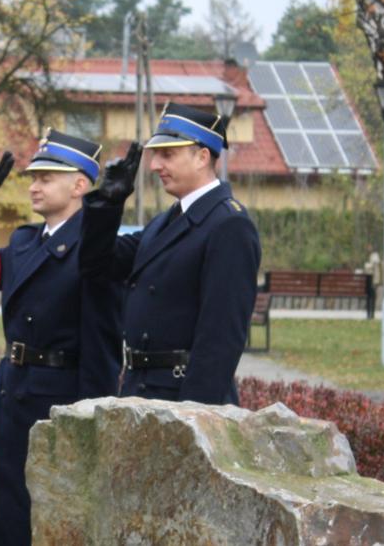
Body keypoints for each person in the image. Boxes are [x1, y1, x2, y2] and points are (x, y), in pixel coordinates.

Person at [0, 130, 122, 546]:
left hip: (58, 400)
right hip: (13, 390)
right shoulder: (25, 242)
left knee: (52, 522)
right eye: (33, 177)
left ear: (80, 186)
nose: (34, 186)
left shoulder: (95, 250)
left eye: (47, 178)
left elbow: (102, 346)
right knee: (6, 518)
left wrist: (90, 423)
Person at [78, 102, 261, 404]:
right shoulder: (164, 223)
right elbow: (96, 267)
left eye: (168, 155)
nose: (154, 166)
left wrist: (193, 417)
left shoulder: (229, 225)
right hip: (141, 390)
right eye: (155, 155)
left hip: (182, 398)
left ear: (203, 157)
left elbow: (220, 339)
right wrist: (108, 205)